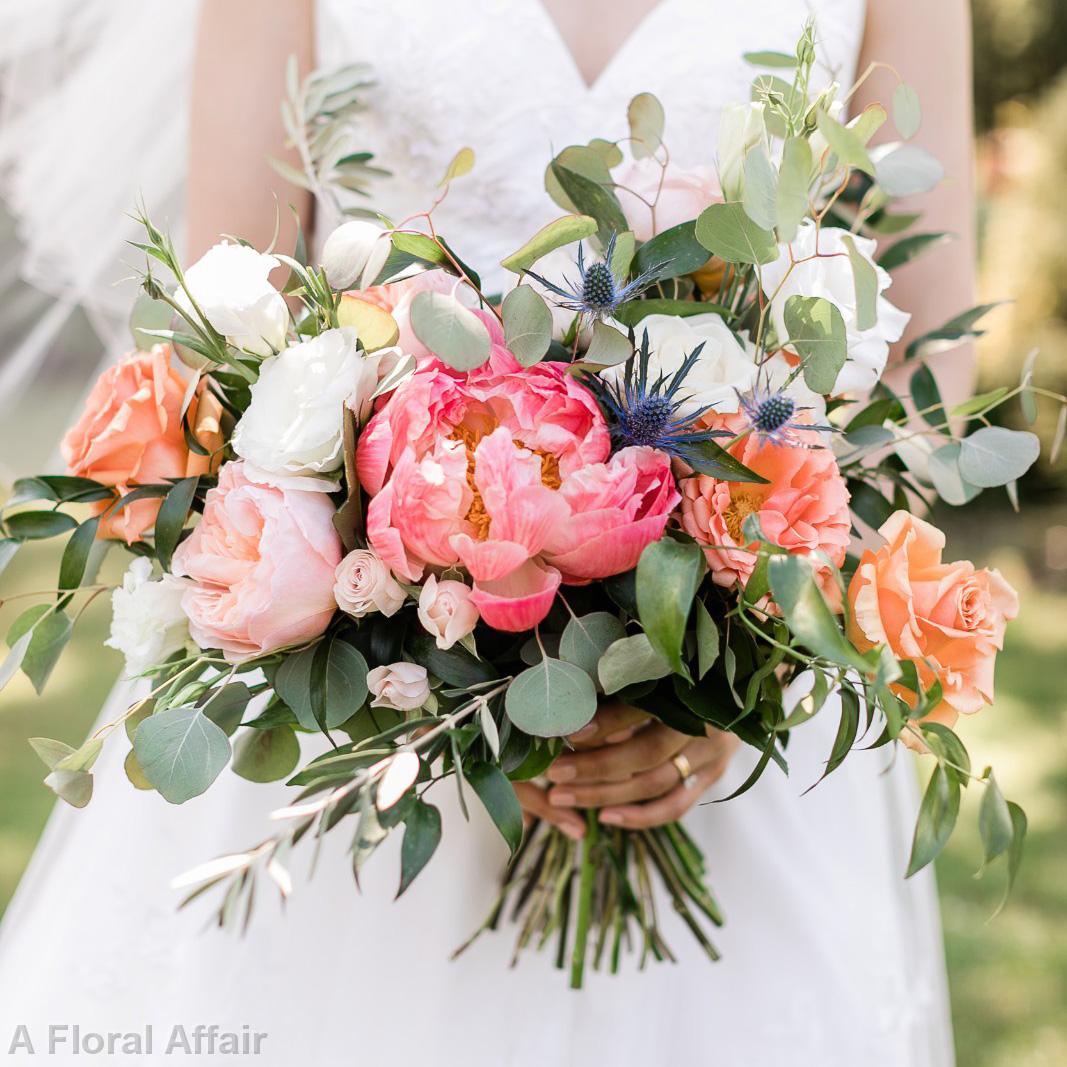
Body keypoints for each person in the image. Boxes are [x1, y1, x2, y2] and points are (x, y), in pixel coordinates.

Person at [0, 1, 975, 1063]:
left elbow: (931, 354)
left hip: (726, 718)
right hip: (372, 669)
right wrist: (417, 640)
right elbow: (230, 302)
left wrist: (730, 672)